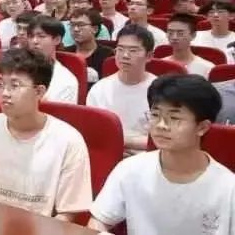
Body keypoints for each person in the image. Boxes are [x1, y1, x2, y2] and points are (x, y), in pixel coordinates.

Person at [0, 48, 92, 220]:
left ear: (39, 92)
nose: (5, 93)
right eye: (0, 85)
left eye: (15, 85)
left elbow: (67, 213)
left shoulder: (69, 140)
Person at [88, 75, 235, 234]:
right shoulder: (130, 169)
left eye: (174, 118)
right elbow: (99, 220)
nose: (161, 125)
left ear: (202, 127)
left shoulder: (228, 188)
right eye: (155, 115)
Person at [86, 24, 156, 154]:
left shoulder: (160, 91)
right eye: (120, 49)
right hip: (108, 153)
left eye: (133, 50)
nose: (125, 55)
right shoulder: (99, 89)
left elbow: (162, 139)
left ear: (149, 56)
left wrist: (122, 142)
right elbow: (94, 133)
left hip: (148, 156)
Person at [27, 15, 78, 103]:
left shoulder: (66, 81)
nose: (34, 41)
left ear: (57, 40)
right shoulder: (15, 67)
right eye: (31, 36)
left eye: (41, 36)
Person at [65, 9, 114, 86]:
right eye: (72, 25)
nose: (75, 29)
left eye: (81, 25)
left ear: (95, 29)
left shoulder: (108, 55)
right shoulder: (65, 53)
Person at [164, 13, 214, 79]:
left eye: (180, 33)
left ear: (193, 35)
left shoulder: (207, 68)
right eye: (170, 33)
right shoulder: (160, 65)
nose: (174, 37)